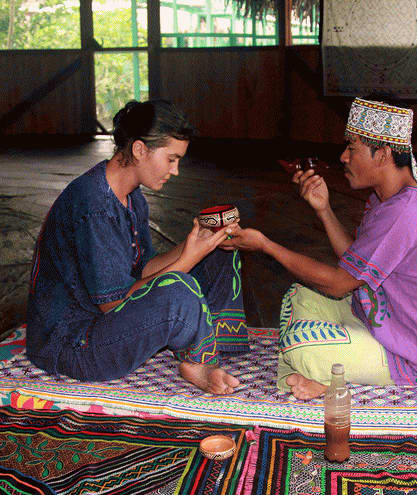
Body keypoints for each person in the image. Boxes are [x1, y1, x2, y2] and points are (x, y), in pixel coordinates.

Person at [222, 96, 417, 400]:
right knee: (298, 295)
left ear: (383, 154)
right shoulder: (389, 198)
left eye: (352, 148)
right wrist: (323, 209)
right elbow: (355, 261)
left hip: (412, 352)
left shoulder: (406, 212)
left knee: (300, 343)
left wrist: (266, 246)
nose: (343, 157)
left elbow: (339, 285)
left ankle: (318, 376)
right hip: (382, 319)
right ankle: (312, 374)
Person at [26, 99, 249, 394]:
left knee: (219, 254)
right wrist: (188, 259)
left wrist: (195, 246)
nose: (176, 170)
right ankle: (197, 362)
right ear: (140, 149)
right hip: (75, 343)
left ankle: (210, 341)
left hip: (104, 324)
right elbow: (115, 304)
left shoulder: (131, 195)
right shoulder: (93, 205)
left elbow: (144, 268)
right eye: (171, 159)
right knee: (177, 289)